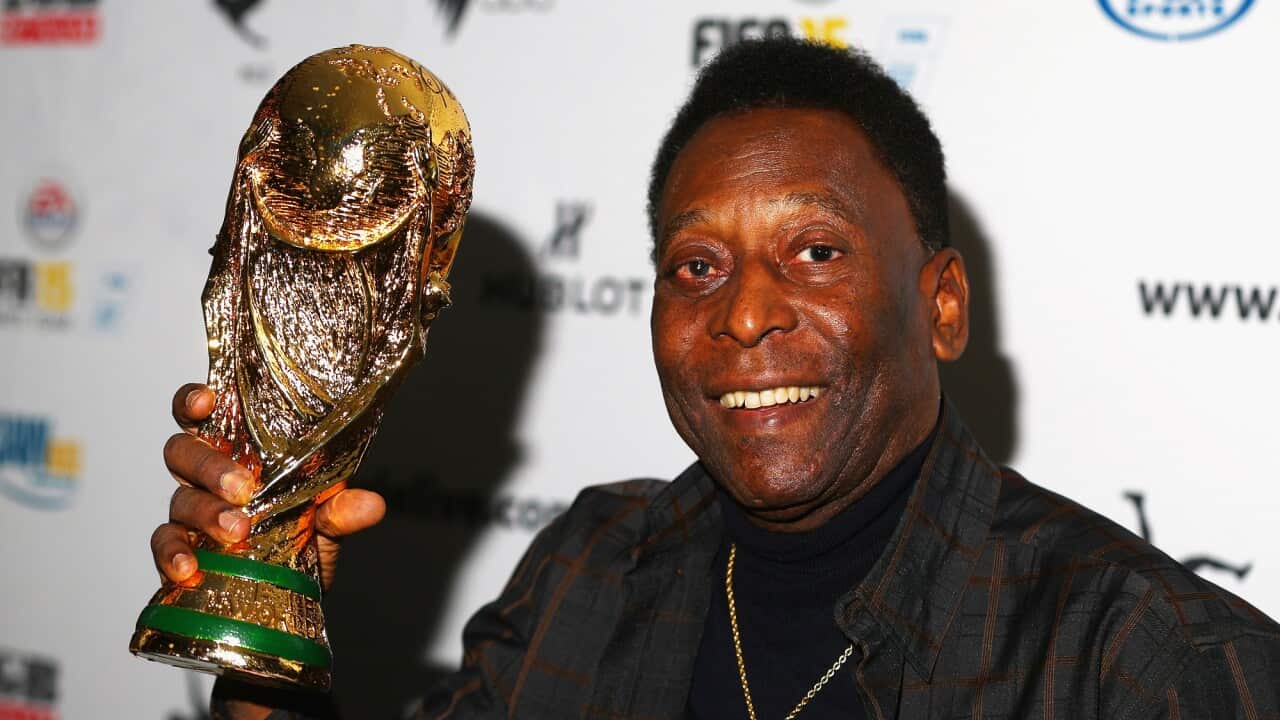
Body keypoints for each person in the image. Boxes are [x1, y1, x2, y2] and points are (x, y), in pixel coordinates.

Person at [151, 39, 1280, 719]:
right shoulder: (588, 572)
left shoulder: (1148, 666)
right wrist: (267, 635)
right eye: (696, 265)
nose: (741, 311)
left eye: (815, 251)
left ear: (939, 306)